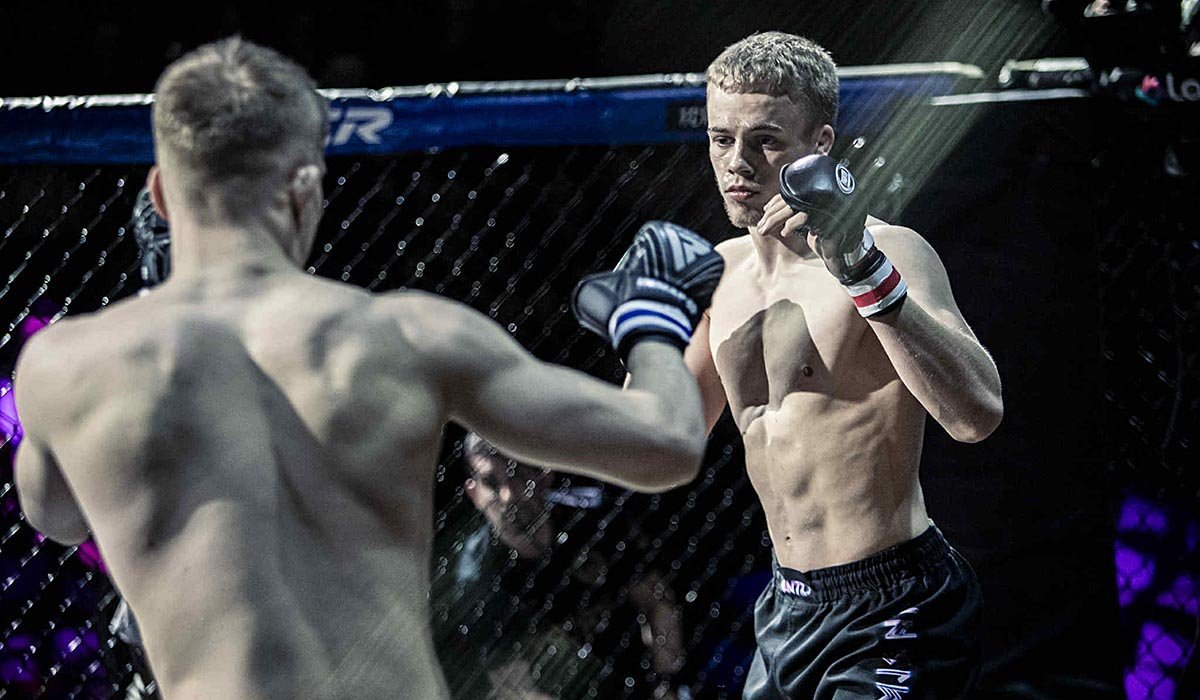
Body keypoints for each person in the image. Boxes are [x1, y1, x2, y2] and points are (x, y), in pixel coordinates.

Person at [12, 36, 720, 699]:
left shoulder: (66, 366)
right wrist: (649, 319)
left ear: (161, 194)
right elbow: (668, 442)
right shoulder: (408, 336)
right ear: (306, 188)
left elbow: (57, 518)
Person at [691, 32, 1004, 698]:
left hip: (896, 605)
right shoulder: (715, 276)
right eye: (721, 139)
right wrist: (641, 332)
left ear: (820, 144)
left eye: (764, 140)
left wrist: (864, 273)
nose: (737, 163)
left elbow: (977, 414)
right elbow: (667, 444)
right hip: (786, 610)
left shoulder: (892, 249)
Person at [433, 432, 687, 699]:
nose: (508, 495)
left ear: (545, 474)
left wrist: (666, 684)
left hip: (637, 679)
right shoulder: (478, 578)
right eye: (491, 482)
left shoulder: (598, 519)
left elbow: (657, 603)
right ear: (474, 494)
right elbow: (514, 686)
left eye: (517, 473)